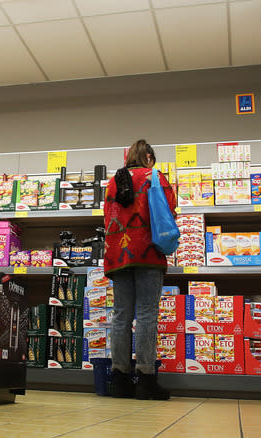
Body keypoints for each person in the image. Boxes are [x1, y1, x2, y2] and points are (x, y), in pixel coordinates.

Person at [103, 139, 176, 400]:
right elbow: (169, 211)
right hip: (148, 252)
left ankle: (120, 381)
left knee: (121, 315)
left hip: (119, 254)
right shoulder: (155, 176)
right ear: (148, 157)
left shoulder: (114, 180)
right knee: (146, 314)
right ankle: (146, 380)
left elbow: (107, 216)